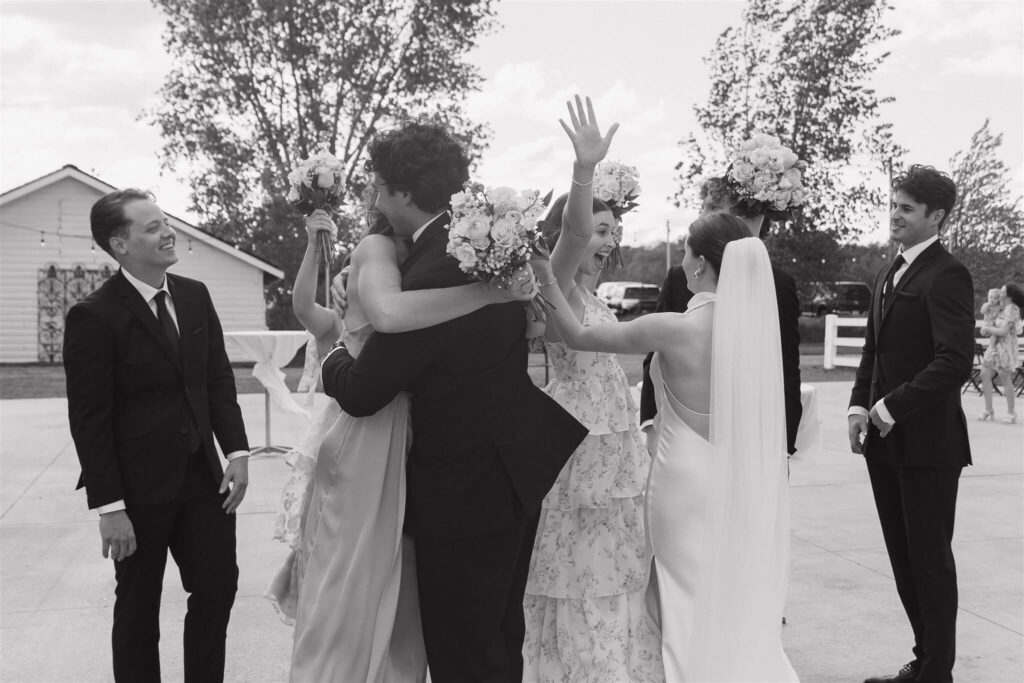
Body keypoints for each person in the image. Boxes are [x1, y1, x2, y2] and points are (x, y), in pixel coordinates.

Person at [320, 119, 588, 681]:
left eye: (377, 185)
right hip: (511, 466)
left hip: (465, 487)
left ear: (403, 194)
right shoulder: (480, 245)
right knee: (496, 638)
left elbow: (364, 392)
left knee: (464, 652)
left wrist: (331, 350)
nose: (373, 195)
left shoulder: (433, 270)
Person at [266, 197, 534, 680]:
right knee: (355, 562)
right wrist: (316, 255)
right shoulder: (375, 265)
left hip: (411, 431)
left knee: (401, 571)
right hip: (364, 432)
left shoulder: (420, 270)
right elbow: (309, 310)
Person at [533, 212, 798, 682]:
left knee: (680, 588)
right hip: (735, 473)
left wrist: (545, 274)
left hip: (683, 477)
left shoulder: (675, 327)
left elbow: (576, 336)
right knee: (723, 585)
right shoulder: (752, 333)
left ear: (696, 265)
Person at [63, 189, 250, 682]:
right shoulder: (93, 315)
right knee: (139, 610)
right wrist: (110, 508)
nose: (167, 232)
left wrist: (237, 450)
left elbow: (217, 379)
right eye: (150, 227)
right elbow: (89, 418)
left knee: (217, 590)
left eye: (164, 222)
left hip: (203, 482)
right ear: (119, 245)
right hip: (137, 492)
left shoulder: (194, 295)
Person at [520, 101, 662, 681]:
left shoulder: (593, 295)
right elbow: (575, 230)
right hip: (574, 452)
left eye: (615, 231)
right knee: (578, 570)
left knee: (614, 567)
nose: (608, 240)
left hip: (612, 450)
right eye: (603, 231)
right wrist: (584, 172)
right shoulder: (555, 284)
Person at [848, 165, 975, 683]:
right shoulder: (887, 271)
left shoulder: (948, 274)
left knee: (930, 562)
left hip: (929, 447)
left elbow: (954, 361)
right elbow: (872, 351)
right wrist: (860, 406)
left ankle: (936, 673)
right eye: (894, 204)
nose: (894, 214)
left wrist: (892, 405)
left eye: (906, 208)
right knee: (902, 561)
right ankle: (924, 660)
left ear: (935, 216)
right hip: (882, 443)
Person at [640, 176, 802, 457]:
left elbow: (786, 368)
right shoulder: (681, 277)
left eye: (713, 207)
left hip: (752, 438)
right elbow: (654, 353)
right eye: (702, 207)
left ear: (740, 217)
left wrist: (783, 446)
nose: (702, 215)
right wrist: (651, 427)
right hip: (687, 439)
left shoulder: (778, 283)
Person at [978, 283, 1022, 424]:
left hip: (1005, 347)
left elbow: (1003, 331)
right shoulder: (1001, 308)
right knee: (984, 374)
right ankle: (988, 409)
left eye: (1002, 292)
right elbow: (991, 320)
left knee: (1005, 378)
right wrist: (988, 329)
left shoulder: (1012, 309)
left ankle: (1011, 412)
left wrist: (987, 329)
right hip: (995, 346)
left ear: (1009, 295)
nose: (999, 294)